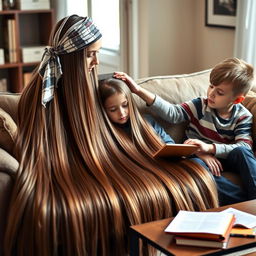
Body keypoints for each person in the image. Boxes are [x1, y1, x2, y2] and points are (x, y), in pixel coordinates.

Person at [4, 15, 218, 256]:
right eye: (89, 54)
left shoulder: (90, 88)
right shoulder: (42, 94)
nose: (96, 61)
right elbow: (43, 141)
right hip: (68, 166)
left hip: (109, 156)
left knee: (194, 173)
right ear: (70, 57)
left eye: (98, 52)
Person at [114, 57, 256, 205]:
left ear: (237, 100)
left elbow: (245, 147)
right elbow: (172, 113)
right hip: (198, 156)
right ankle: (244, 203)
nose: (211, 94)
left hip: (225, 155)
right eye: (211, 86)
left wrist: (209, 149)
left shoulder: (243, 116)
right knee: (194, 170)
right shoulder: (200, 105)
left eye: (220, 92)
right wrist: (138, 90)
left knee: (243, 152)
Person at [98, 77, 175, 144]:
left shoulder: (148, 121)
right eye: (113, 109)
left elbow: (170, 144)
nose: (121, 113)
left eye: (125, 105)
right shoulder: (106, 134)